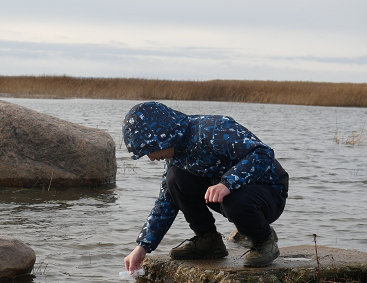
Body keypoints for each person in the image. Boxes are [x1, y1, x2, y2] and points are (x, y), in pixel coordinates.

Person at [122, 101, 289, 272]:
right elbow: (165, 202)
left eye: (150, 150)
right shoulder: (175, 156)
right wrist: (143, 247)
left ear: (163, 137)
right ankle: (208, 241)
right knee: (175, 179)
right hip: (229, 192)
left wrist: (228, 183)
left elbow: (263, 153)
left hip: (270, 192)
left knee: (234, 200)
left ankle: (264, 241)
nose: (150, 157)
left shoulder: (212, 130)